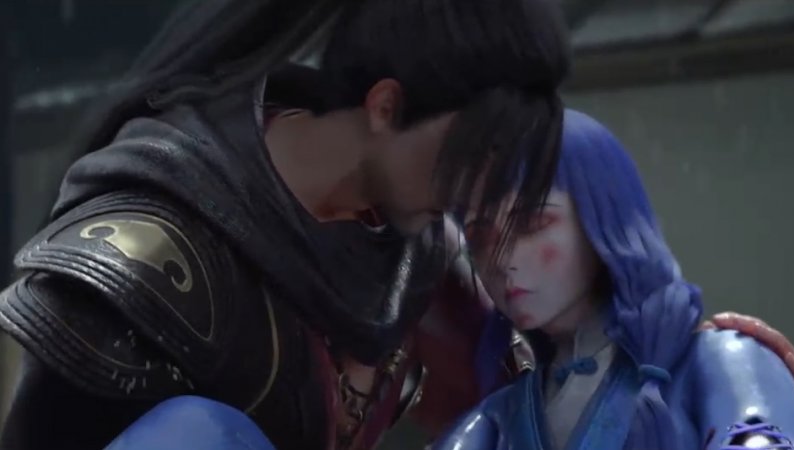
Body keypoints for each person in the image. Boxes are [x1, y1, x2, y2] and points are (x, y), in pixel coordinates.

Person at [0, 0, 572, 449]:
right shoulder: (150, 251)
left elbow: (527, 412)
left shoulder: (422, 255)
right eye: (467, 153)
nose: (474, 191)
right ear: (385, 107)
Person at [431, 109, 794, 450]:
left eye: (531, 223)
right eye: (480, 236)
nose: (501, 260)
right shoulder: (496, 421)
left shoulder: (723, 360)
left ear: (602, 218)